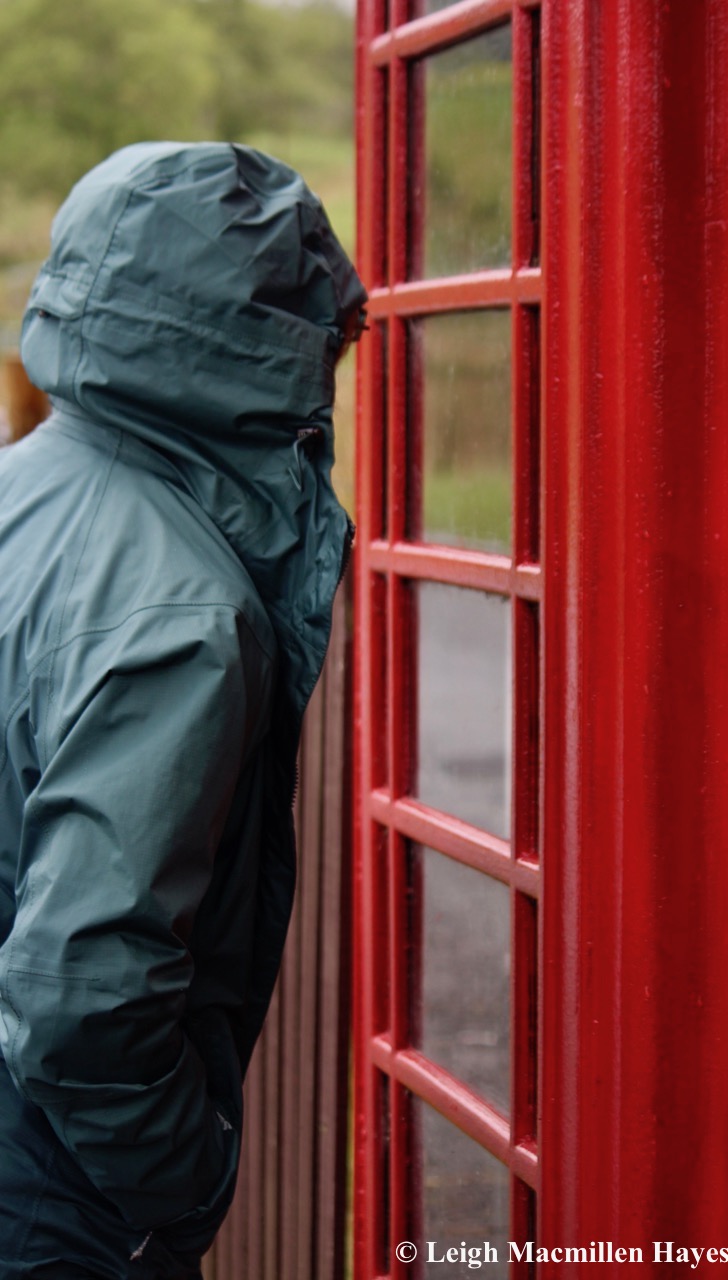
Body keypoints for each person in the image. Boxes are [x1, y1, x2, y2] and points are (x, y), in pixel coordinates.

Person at [0, 141, 367, 1279]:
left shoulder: (22, 486)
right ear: (271, 347)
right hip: (56, 1206)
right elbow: (80, 990)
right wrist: (181, 1182)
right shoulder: (184, 615)